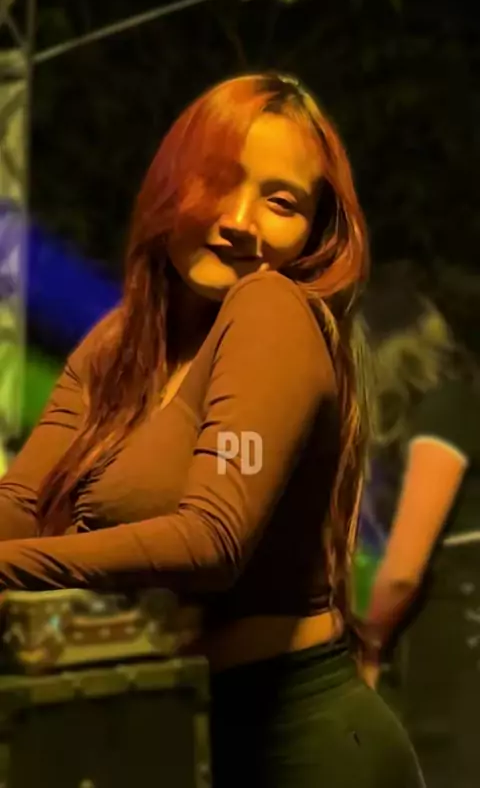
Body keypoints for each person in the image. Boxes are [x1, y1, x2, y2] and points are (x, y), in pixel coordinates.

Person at [0, 74, 423, 787]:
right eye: (218, 180)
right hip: (176, 726)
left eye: (281, 202)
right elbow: (23, 503)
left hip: (299, 743)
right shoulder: (118, 345)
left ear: (313, 233)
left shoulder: (270, 307)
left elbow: (210, 541)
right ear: (171, 181)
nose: (240, 221)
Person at [360, 261, 480, 787]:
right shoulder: (447, 408)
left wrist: (368, 645)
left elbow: (403, 571)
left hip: (461, 663)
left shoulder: (445, 411)